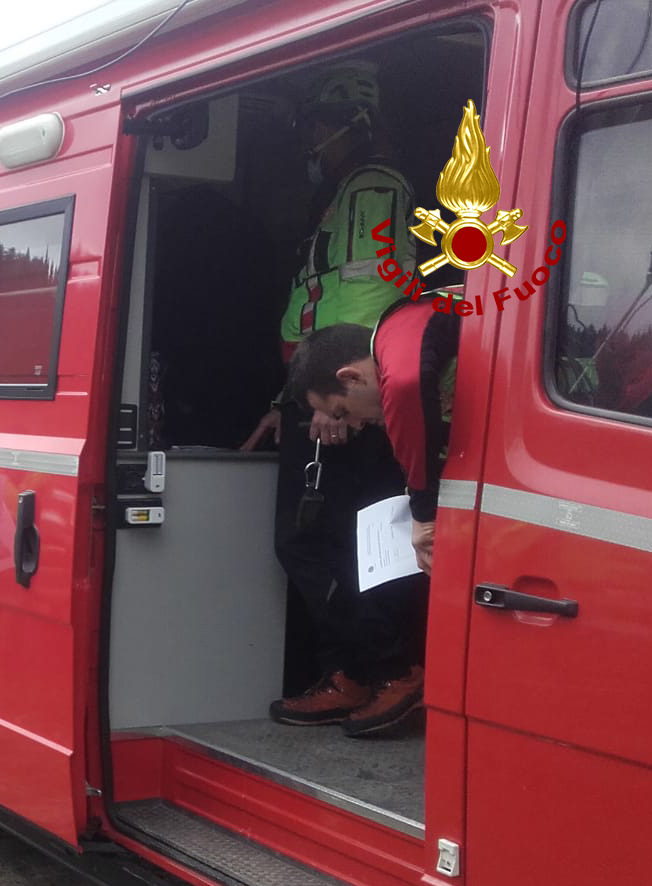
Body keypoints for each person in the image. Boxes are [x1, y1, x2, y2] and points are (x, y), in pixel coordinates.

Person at [237, 62, 424, 735]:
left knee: (351, 543)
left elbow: (369, 294)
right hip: (324, 391)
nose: (310, 138)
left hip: (352, 398)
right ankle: (354, 670)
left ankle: (390, 670)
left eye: (316, 123)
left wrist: (337, 402)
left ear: (348, 123)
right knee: (318, 543)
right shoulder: (343, 193)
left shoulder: (372, 186)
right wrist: (293, 397)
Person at [289, 301, 461, 578]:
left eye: (342, 412)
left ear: (351, 378)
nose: (356, 424)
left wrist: (424, 518)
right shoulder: (418, 353)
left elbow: (404, 387)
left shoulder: (400, 337)